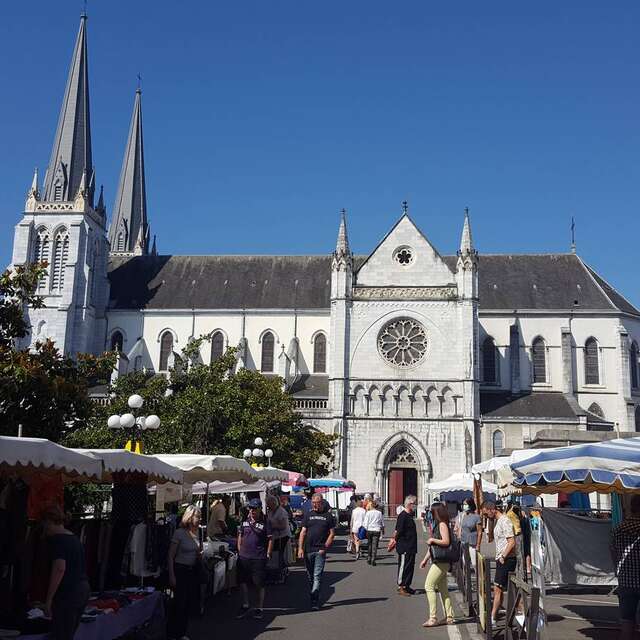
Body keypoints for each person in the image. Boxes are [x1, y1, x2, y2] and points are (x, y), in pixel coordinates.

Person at [40, 504, 90, 640]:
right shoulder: (74, 538)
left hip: (68, 593)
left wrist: (49, 600)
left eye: (43, 524)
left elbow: (59, 568)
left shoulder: (58, 541)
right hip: (82, 589)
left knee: (61, 634)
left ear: (48, 522)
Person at [168, 505, 203, 640]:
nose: (199, 519)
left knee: (188, 603)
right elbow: (170, 556)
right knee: (179, 604)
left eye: (200, 517)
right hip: (180, 570)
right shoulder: (179, 533)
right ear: (189, 517)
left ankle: (182, 633)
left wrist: (199, 556)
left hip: (192, 571)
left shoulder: (197, 532)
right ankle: (172, 634)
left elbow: (197, 551)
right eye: (197, 517)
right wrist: (172, 575)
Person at [298, 493, 336, 610]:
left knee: (317, 575)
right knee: (310, 576)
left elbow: (332, 534)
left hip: (320, 550)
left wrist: (325, 547)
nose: (315, 505)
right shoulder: (308, 515)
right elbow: (303, 532)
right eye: (313, 503)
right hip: (308, 549)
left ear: (322, 502)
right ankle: (314, 592)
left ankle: (314, 599)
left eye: (317, 503)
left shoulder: (328, 516)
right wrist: (300, 548)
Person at [610, 494, 640, 640]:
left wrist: (618, 571)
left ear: (631, 508)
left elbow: (613, 553)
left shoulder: (618, 529)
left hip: (625, 580)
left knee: (627, 621)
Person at [237, 498, 273, 620]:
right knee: (243, 581)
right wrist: (239, 549)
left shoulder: (265, 522)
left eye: (254, 508)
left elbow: (270, 539)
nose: (252, 510)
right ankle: (246, 604)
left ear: (259, 509)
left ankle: (259, 608)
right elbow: (240, 535)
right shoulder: (245, 521)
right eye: (250, 508)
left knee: (259, 584)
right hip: (244, 556)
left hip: (258, 557)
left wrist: (268, 552)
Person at [420, 503, 455, 627]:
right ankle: (449, 616)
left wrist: (433, 540)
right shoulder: (438, 524)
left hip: (442, 561)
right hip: (440, 560)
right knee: (443, 589)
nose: (430, 514)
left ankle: (433, 617)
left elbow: (446, 541)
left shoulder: (442, 524)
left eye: (432, 512)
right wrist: (425, 560)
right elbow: (433, 548)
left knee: (428, 586)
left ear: (437, 512)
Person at [483, 501, 516, 627]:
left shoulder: (505, 520)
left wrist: (503, 556)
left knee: (498, 588)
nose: (486, 517)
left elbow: (512, 542)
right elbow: (493, 539)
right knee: (504, 589)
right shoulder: (497, 522)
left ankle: (492, 617)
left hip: (506, 559)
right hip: (502, 558)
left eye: (486, 514)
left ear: (492, 509)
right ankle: (522, 613)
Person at [389, 495, 418, 596]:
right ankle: (401, 586)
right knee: (404, 566)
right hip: (404, 546)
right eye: (414, 504)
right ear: (409, 504)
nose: (416, 506)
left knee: (410, 566)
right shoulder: (403, 516)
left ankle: (407, 585)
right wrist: (393, 541)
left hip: (411, 546)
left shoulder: (410, 516)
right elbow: (398, 531)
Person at [266, 494, 290, 575]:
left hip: (282, 536)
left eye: (269, 505)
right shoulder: (270, 511)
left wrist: (273, 526)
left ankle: (281, 569)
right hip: (275, 536)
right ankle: (278, 568)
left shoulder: (281, 512)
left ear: (273, 503)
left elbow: (283, 526)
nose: (268, 506)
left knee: (279, 552)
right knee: (276, 552)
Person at [458, 498, 481, 568]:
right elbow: (461, 527)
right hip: (464, 542)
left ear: (470, 505)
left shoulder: (476, 517)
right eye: (463, 504)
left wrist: (478, 545)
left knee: (474, 563)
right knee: (464, 562)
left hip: (473, 543)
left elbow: (479, 532)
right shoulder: (463, 515)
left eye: (466, 504)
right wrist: (459, 536)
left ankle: (480, 577)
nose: (464, 506)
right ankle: (466, 578)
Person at [363, 499, 385, 565]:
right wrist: (383, 530)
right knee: (374, 545)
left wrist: (366, 529)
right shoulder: (379, 513)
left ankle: (369, 558)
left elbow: (365, 523)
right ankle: (373, 559)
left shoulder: (368, 513)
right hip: (376, 530)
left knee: (369, 544)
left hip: (369, 530)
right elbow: (382, 523)